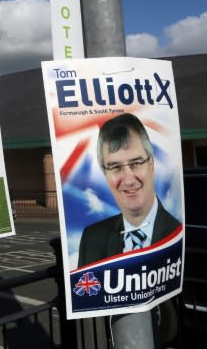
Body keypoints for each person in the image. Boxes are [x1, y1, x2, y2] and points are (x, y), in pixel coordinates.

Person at [77, 113, 181, 268]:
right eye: (115, 167)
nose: (128, 180)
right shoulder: (91, 239)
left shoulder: (179, 234)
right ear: (105, 174)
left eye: (136, 163)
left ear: (151, 164)